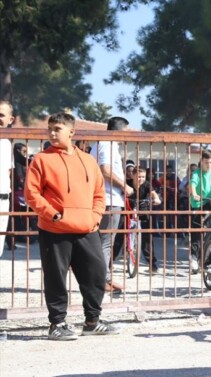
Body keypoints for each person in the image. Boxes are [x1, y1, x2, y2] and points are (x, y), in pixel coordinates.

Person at [24, 112, 119, 340]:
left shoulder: (88, 161)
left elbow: (99, 193)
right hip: (54, 229)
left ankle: (92, 322)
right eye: (50, 129)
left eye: (57, 129)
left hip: (87, 228)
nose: (52, 133)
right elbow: (31, 193)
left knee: (96, 275)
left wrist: (95, 217)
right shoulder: (41, 159)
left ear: (72, 132)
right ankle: (57, 324)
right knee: (56, 278)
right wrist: (53, 214)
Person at [91, 116, 134, 293]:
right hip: (109, 200)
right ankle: (102, 280)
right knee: (106, 242)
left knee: (103, 241)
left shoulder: (104, 144)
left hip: (106, 198)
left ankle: (103, 278)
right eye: (127, 132)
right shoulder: (107, 144)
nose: (128, 136)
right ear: (119, 130)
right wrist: (125, 186)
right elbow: (105, 169)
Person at [188, 149, 211, 274]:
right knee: (197, 232)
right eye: (206, 163)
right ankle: (193, 258)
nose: (209, 165)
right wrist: (195, 193)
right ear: (201, 162)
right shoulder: (196, 173)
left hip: (210, 201)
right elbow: (193, 183)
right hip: (198, 204)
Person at [128, 166, 161, 273]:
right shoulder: (127, 183)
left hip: (143, 209)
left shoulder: (146, 184)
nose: (141, 179)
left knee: (147, 237)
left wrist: (156, 199)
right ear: (133, 175)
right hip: (129, 209)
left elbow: (153, 193)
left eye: (143, 177)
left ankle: (152, 264)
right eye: (138, 176)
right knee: (119, 234)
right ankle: (110, 262)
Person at [0, 101, 13, 255]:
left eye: (1, 115)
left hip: (3, 200)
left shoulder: (7, 142)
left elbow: (8, 172)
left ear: (11, 119)